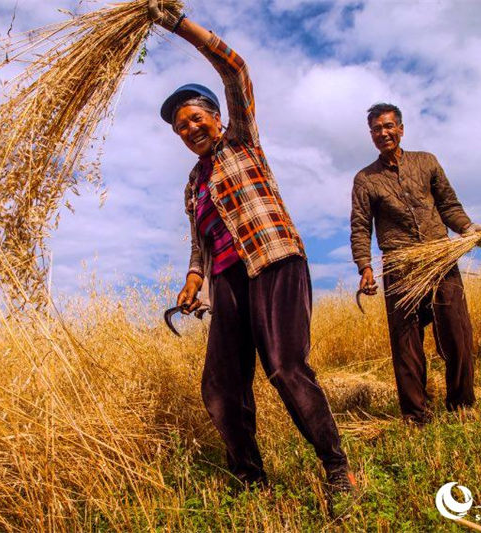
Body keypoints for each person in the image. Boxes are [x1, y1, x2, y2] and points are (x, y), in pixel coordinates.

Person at [150, 3, 355, 494]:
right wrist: (193, 282)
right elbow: (201, 245)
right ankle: (251, 478)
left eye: (196, 118)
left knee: (284, 368)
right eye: (181, 127)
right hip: (228, 283)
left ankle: (337, 468)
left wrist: (176, 23)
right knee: (222, 385)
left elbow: (235, 68)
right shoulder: (193, 183)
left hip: (273, 262)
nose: (190, 129)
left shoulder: (242, 143)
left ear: (217, 119)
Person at [350, 103, 481, 425]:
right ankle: (416, 415)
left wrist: (469, 229)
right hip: (401, 267)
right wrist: (365, 267)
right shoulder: (365, 180)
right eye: (376, 129)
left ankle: (461, 404)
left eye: (389, 126)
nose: (383, 133)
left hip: (439, 259)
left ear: (401, 129)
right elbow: (360, 227)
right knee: (406, 344)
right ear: (371, 135)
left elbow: (448, 204)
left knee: (458, 333)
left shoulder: (426, 162)